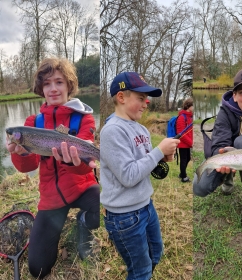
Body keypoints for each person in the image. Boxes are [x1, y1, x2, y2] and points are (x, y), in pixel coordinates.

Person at [6, 58, 100, 279]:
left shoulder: (84, 118)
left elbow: (87, 168)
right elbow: (27, 166)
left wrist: (72, 161)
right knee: (38, 269)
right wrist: (18, 152)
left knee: (104, 204)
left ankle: (83, 225)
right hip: (51, 199)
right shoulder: (32, 123)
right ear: (41, 89)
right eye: (47, 83)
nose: (53, 88)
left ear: (69, 85)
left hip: (82, 189)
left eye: (59, 82)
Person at [100, 72, 180, 279]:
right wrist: (158, 152)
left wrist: (161, 159)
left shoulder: (142, 130)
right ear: (121, 97)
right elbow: (128, 176)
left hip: (146, 206)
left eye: (147, 99)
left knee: (156, 253)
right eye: (141, 98)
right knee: (140, 270)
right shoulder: (112, 131)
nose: (146, 103)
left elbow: (142, 164)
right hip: (124, 217)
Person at [193, 68, 242, 231]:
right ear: (234, 95)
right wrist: (220, 155)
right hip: (225, 159)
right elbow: (219, 143)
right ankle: (227, 178)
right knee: (199, 187)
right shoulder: (224, 112)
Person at [176, 97, 193, 182]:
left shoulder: (190, 117)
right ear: (189, 106)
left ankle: (181, 173)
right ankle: (184, 177)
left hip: (188, 143)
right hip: (183, 143)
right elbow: (181, 133)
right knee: (184, 159)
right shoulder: (182, 117)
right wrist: (191, 142)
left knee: (188, 158)